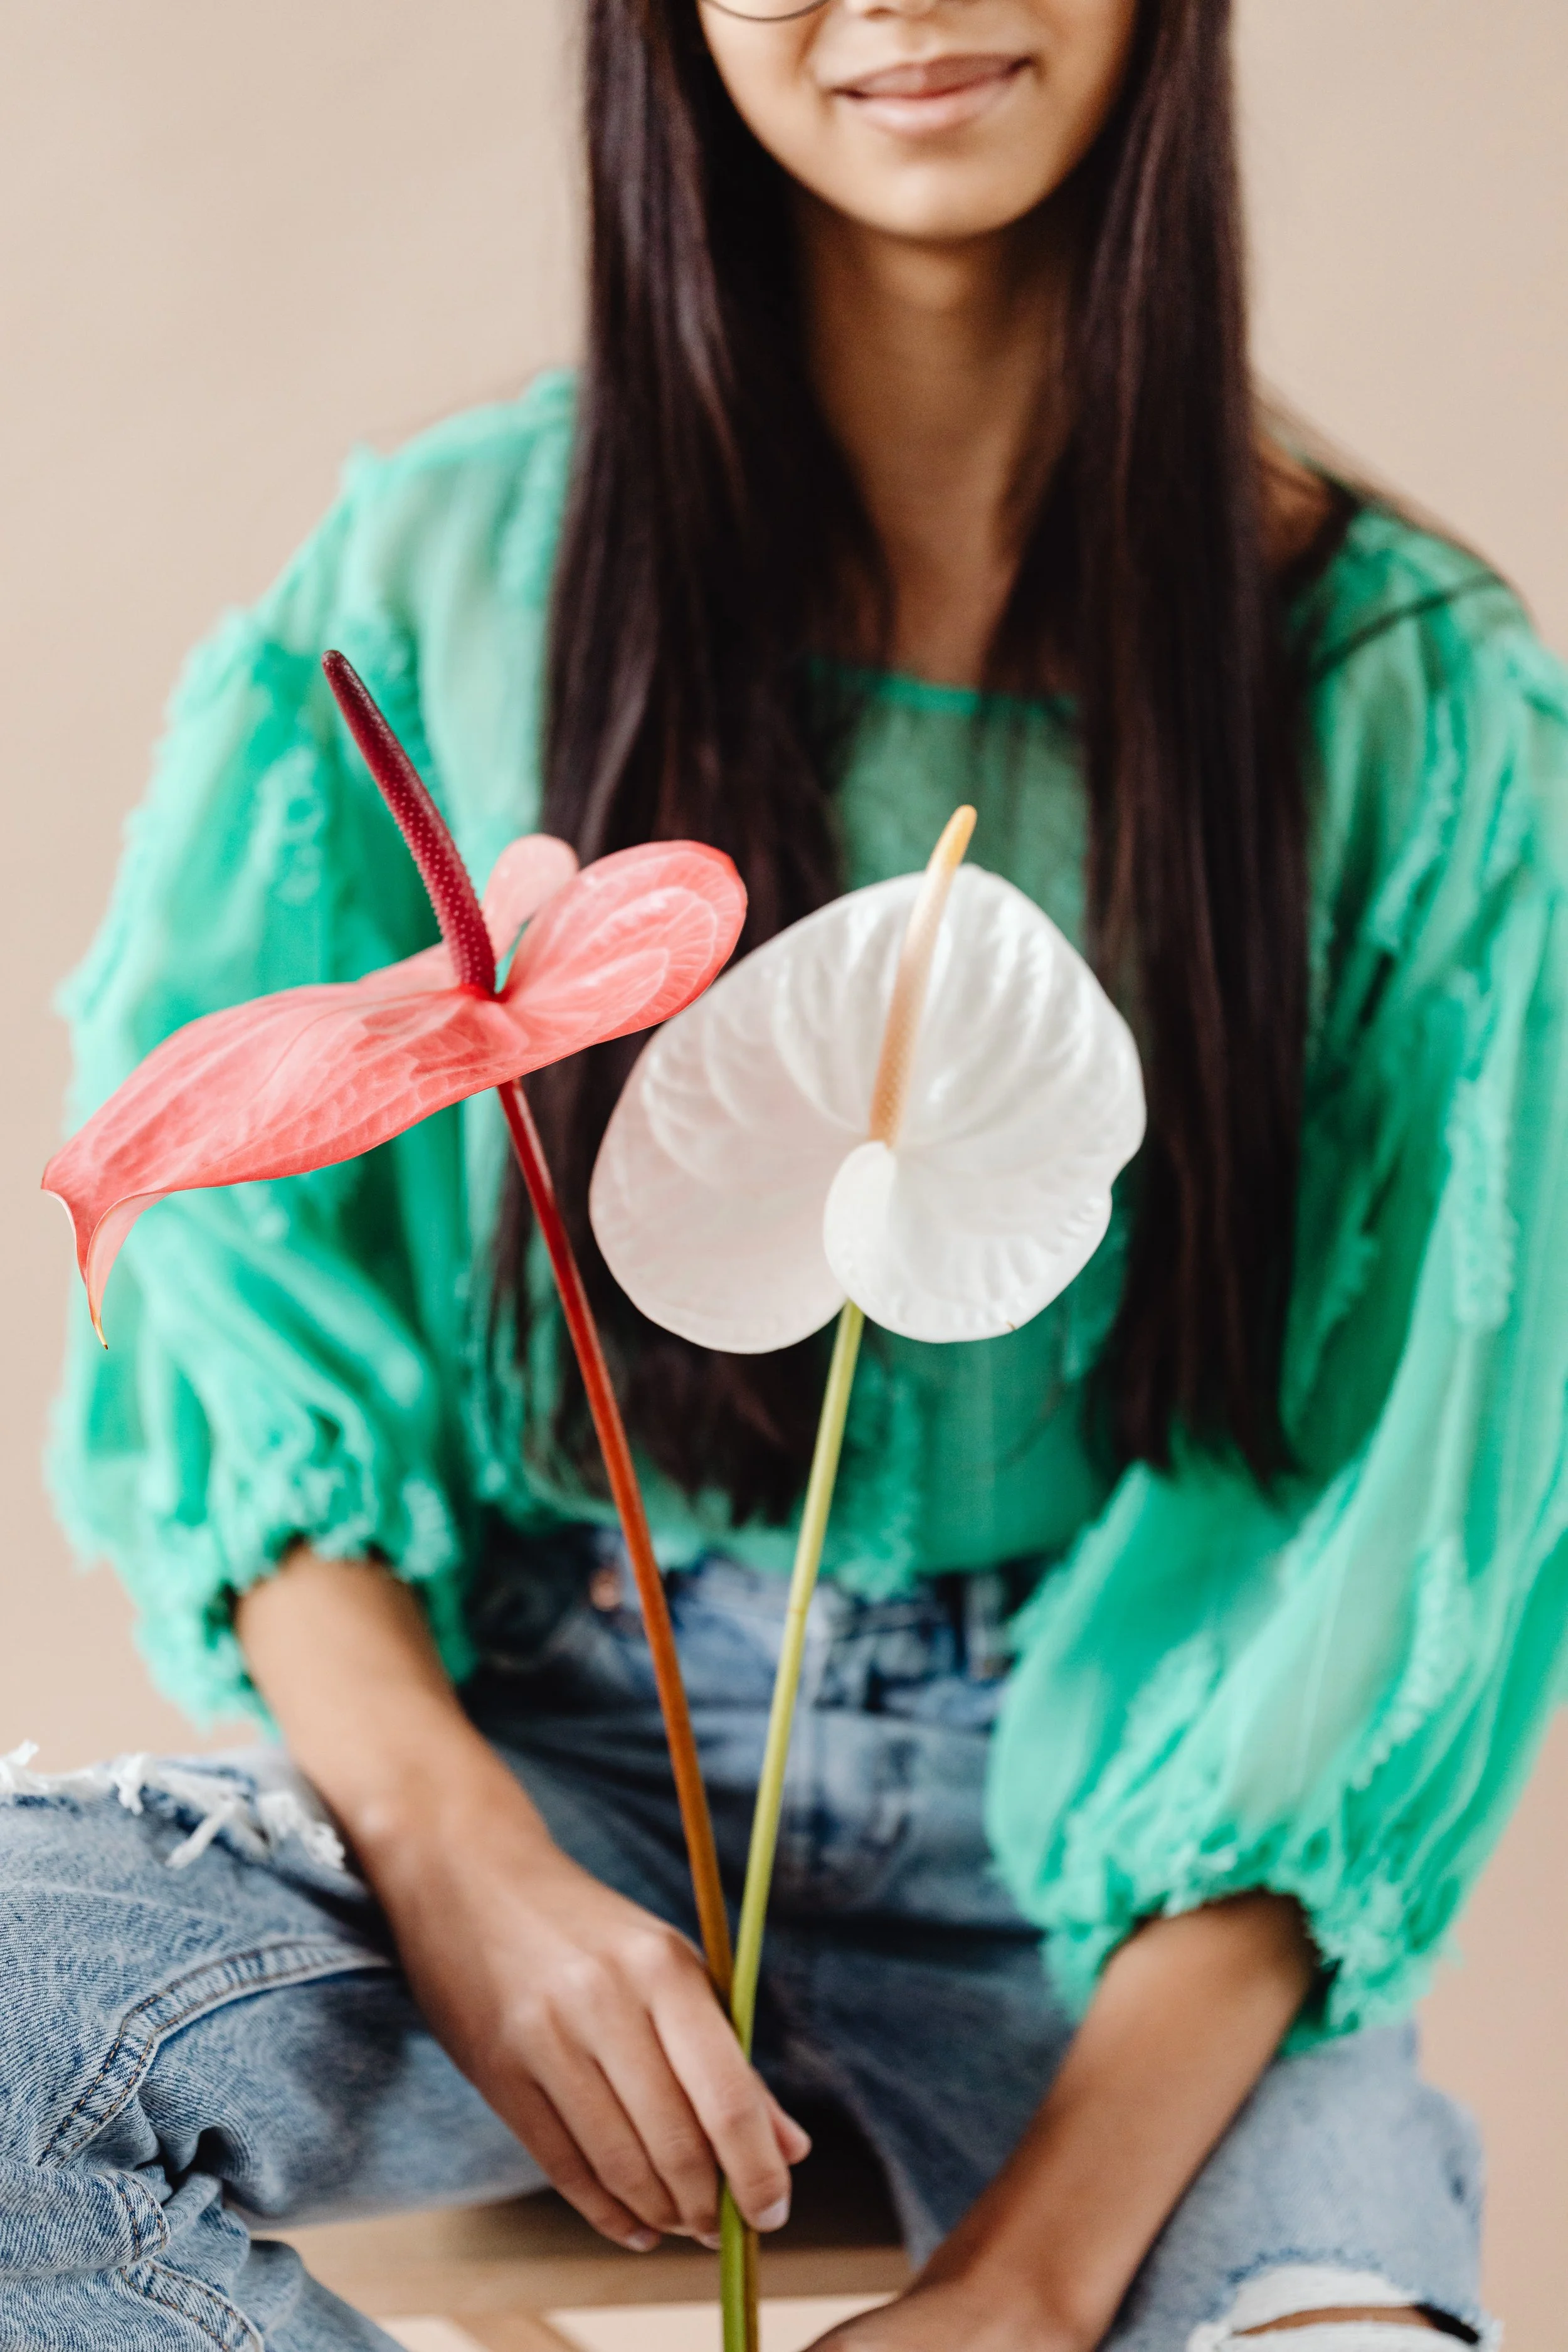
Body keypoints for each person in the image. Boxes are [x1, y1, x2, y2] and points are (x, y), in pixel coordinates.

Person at [6, 0, 1565, 2343]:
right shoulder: (444, 569)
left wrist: (1029, 2292)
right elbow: (252, 1316)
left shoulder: (1395, 695)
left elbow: (1379, 1565)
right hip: (560, 1753)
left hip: (1108, 1870)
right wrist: (462, 1858)